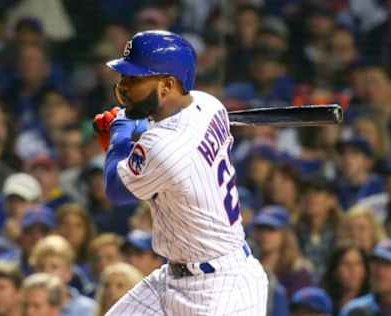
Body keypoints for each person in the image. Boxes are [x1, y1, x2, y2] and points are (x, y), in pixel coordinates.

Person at [93, 30, 268, 315]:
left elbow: (115, 189)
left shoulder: (168, 145)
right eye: (124, 77)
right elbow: (156, 133)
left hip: (222, 291)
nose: (123, 86)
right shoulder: (207, 103)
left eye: (135, 79)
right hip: (174, 278)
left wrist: (121, 137)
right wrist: (133, 130)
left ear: (167, 85)